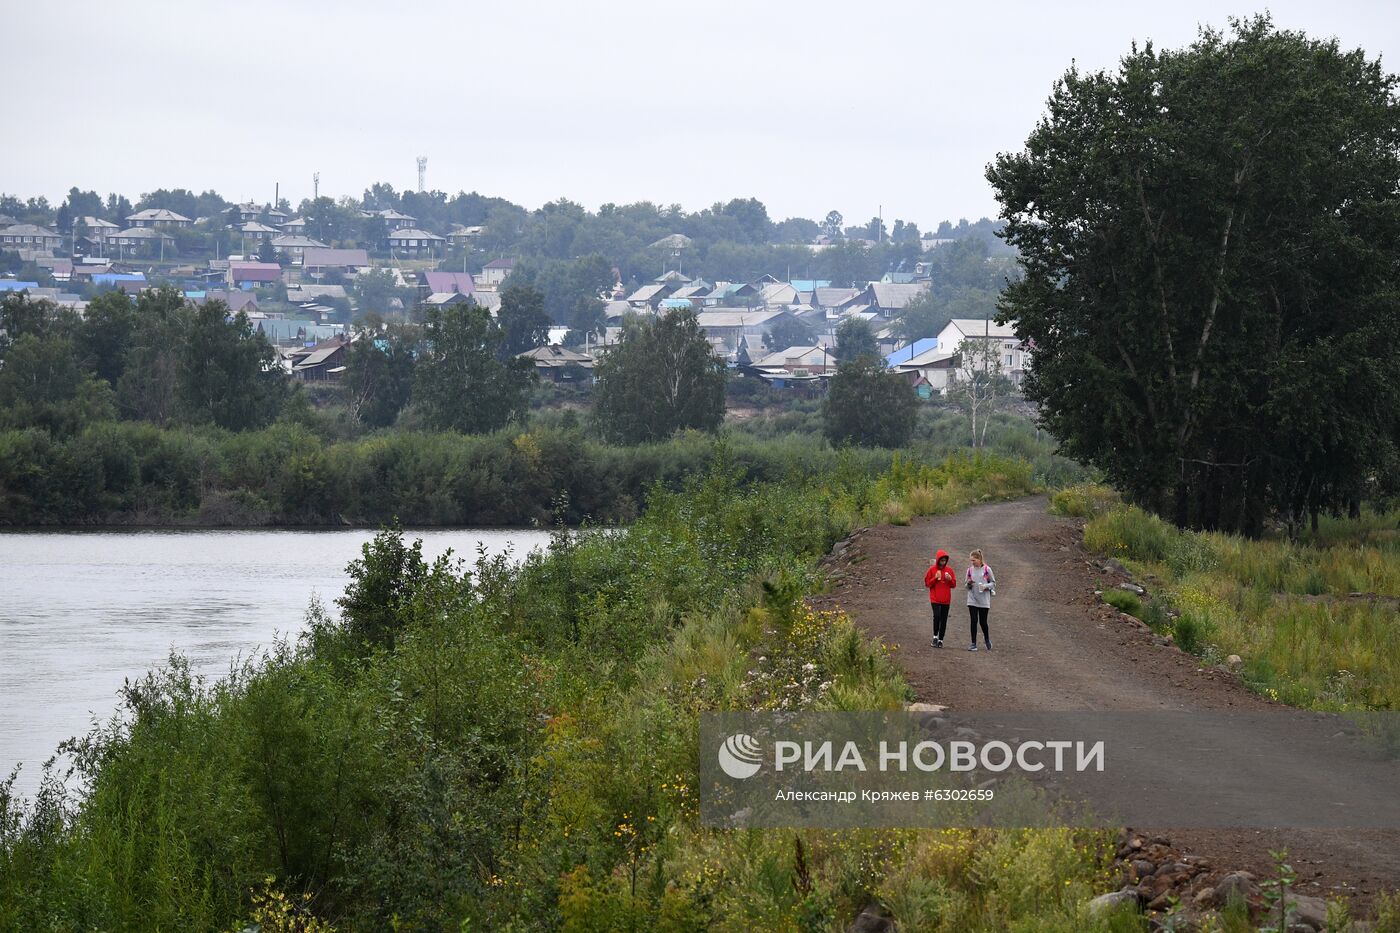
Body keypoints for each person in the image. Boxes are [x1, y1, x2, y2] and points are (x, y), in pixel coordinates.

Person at [923, 549, 954, 647]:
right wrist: (935, 578)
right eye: (941, 560)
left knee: (944, 619)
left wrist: (950, 580)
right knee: (936, 616)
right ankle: (935, 636)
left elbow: (953, 585)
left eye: (944, 561)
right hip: (935, 598)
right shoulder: (932, 570)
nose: (943, 563)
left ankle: (941, 640)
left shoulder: (949, 570)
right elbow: (927, 584)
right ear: (938, 560)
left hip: (946, 599)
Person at [965, 549, 995, 651]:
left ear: (979, 559)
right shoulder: (969, 570)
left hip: (984, 600)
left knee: (983, 622)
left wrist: (985, 586)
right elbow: (966, 585)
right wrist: (969, 583)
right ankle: (973, 643)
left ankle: (987, 639)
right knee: (973, 621)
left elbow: (993, 583)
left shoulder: (987, 569)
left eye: (974, 560)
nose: (972, 562)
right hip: (972, 599)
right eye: (971, 561)